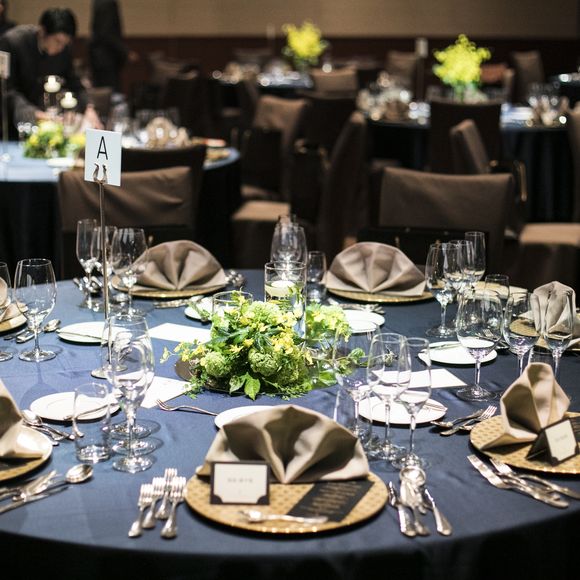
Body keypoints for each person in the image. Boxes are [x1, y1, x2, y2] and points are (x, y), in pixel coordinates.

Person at [0, 7, 101, 128]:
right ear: (42, 31)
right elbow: (7, 89)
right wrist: (34, 113)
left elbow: (74, 82)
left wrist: (89, 108)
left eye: (65, 43)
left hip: (42, 118)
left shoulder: (63, 50)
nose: (61, 48)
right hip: (8, 121)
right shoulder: (12, 42)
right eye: (57, 41)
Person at [89, 0, 137, 93]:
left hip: (98, 56)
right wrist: (126, 52)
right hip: (107, 57)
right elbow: (107, 33)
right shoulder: (108, 3)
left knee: (103, 92)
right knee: (110, 93)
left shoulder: (98, 2)